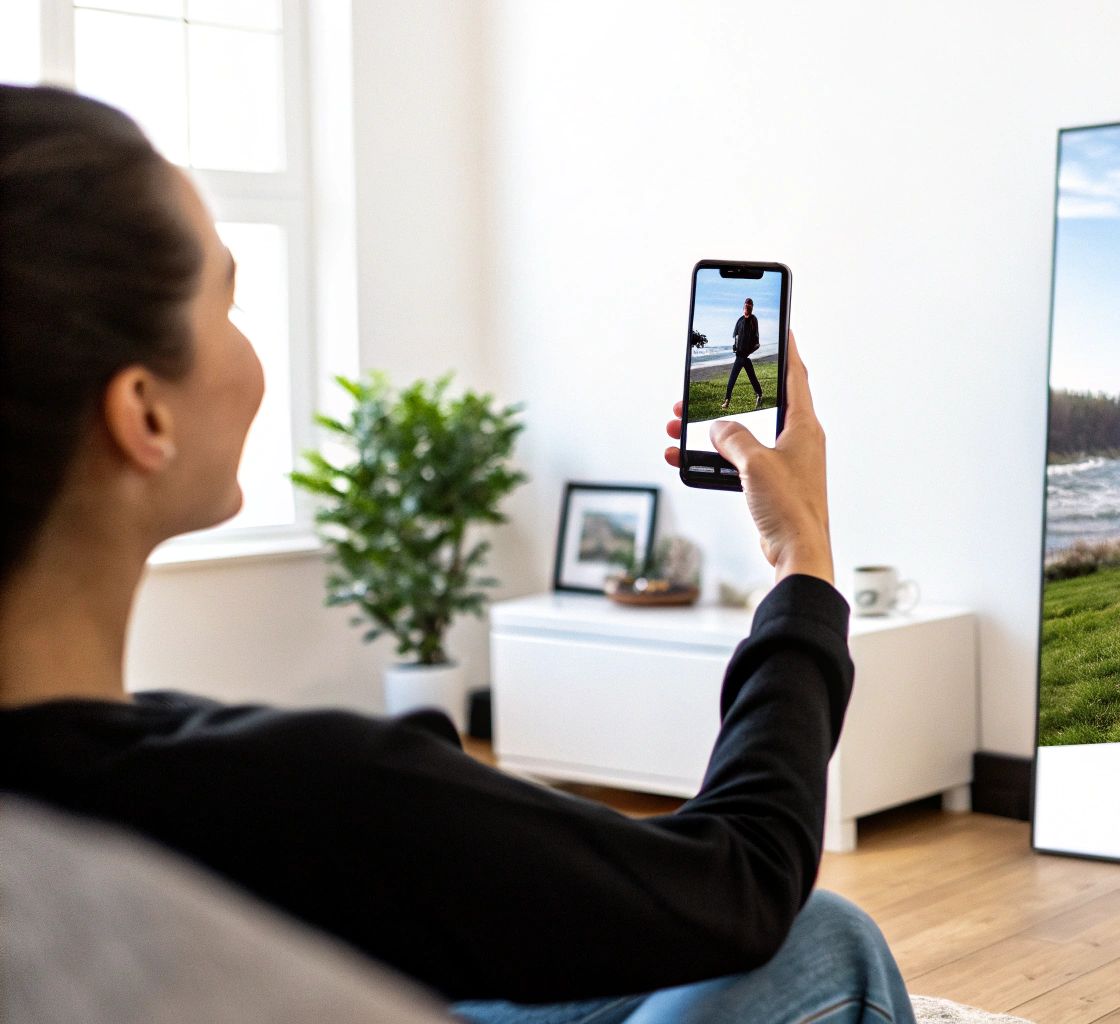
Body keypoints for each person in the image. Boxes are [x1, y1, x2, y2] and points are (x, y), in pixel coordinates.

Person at [0, 84, 913, 1023]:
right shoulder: (273, 797)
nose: (248, 350)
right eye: (227, 305)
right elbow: (744, 884)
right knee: (824, 939)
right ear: (143, 411)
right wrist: (804, 560)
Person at [721, 298, 764, 411]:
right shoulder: (739, 320)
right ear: (743, 307)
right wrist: (734, 347)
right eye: (746, 305)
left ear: (752, 307)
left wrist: (748, 351)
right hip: (739, 355)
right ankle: (727, 400)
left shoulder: (753, 320)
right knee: (735, 378)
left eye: (749, 306)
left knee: (747, 378)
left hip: (744, 356)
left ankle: (758, 395)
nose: (747, 307)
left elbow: (756, 341)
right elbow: (736, 336)